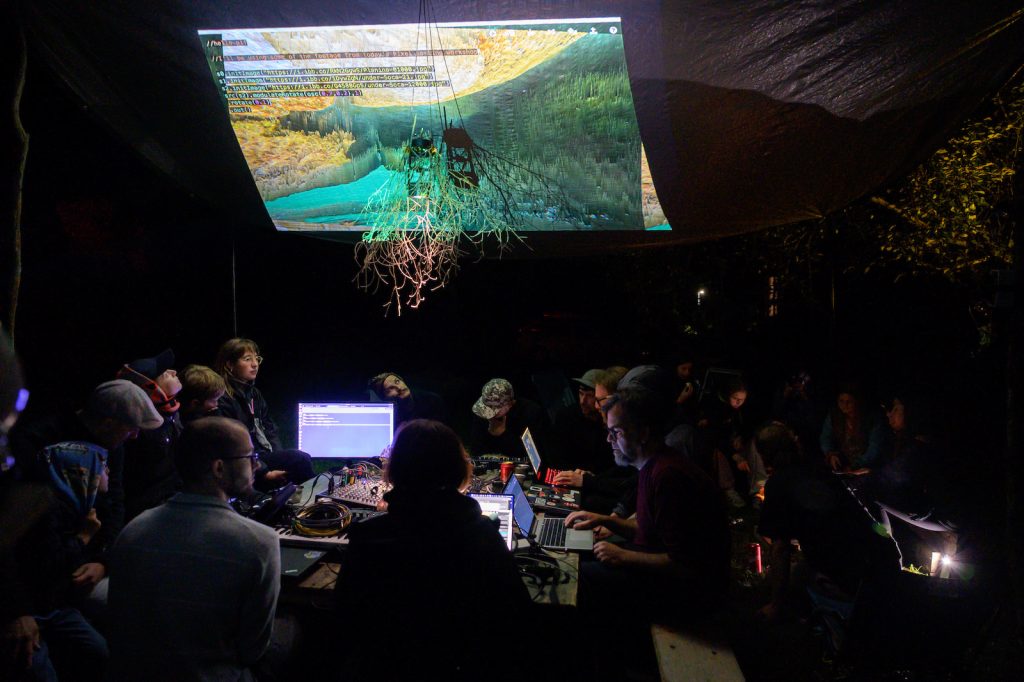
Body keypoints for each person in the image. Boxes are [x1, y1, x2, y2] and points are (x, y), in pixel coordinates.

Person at [334, 419, 530, 681]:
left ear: (395, 470)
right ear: (458, 468)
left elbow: (344, 617)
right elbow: (518, 617)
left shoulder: (367, 537)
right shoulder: (483, 533)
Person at [564, 388, 730, 678]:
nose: (608, 440)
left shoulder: (668, 477)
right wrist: (605, 520)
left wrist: (622, 556)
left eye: (615, 432)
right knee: (583, 558)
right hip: (672, 575)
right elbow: (649, 529)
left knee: (580, 579)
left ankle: (613, 665)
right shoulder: (652, 465)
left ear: (643, 433)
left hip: (690, 595)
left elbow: (684, 564)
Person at [107, 417, 281, 682]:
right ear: (219, 468)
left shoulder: (131, 532)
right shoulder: (260, 543)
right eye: (250, 457)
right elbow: (251, 650)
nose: (256, 465)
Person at [9, 380, 164, 600]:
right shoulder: (35, 443)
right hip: (40, 571)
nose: (135, 436)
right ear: (108, 423)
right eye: (131, 429)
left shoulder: (112, 442)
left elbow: (115, 501)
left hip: (85, 555)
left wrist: (103, 560)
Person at [755, 422, 901, 622]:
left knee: (793, 579)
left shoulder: (779, 484)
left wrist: (775, 605)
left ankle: (831, 615)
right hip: (886, 560)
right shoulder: (819, 469)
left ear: (765, 455)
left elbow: (780, 549)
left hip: (856, 577)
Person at [3, 442, 111, 682]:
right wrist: (84, 538)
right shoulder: (42, 513)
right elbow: (49, 567)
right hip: (31, 609)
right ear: (80, 471)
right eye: (101, 466)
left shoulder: (85, 505)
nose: (107, 472)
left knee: (99, 651)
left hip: (57, 604)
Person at [214, 338, 313, 486]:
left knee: (296, 462)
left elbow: (269, 429)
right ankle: (316, 498)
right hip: (241, 462)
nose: (255, 364)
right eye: (247, 359)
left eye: (257, 358)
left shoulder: (254, 394)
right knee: (300, 459)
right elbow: (232, 445)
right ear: (230, 365)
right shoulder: (223, 398)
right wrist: (263, 472)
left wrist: (278, 458)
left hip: (261, 457)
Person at [115, 348, 184, 522]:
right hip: (148, 513)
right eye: (165, 373)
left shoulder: (171, 415)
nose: (173, 372)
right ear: (150, 386)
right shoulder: (137, 429)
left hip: (172, 501)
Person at [467, 378, 550, 461]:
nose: (488, 414)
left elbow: (533, 457)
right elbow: (475, 450)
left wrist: (503, 435)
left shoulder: (530, 413)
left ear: (510, 404)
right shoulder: (482, 414)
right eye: (486, 407)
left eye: (494, 409)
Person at [549, 368, 613, 472]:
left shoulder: (611, 422)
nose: (583, 401)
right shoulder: (566, 417)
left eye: (590, 396)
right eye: (581, 393)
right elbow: (556, 458)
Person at [820, 384, 886, 473]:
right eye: (841, 401)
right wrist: (831, 453)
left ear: (857, 401)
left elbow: (874, 447)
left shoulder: (871, 419)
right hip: (842, 463)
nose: (845, 405)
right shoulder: (834, 416)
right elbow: (826, 437)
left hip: (866, 466)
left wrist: (857, 464)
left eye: (849, 402)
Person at [367, 372, 447, 427]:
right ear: (384, 398)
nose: (399, 387)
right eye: (391, 388)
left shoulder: (432, 401)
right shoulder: (389, 416)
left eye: (397, 381)